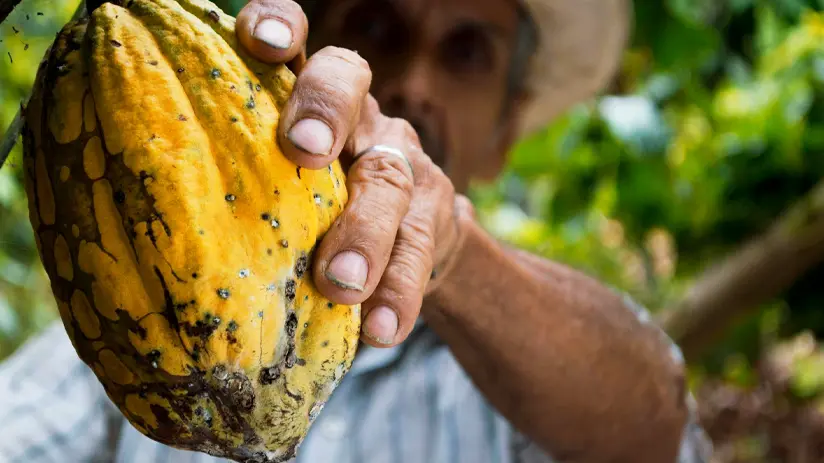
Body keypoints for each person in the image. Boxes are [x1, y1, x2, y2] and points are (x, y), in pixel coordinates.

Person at [0, 0, 714, 462]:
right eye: (376, 26)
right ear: (302, 46)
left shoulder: (528, 376)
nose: (413, 84)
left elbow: (653, 425)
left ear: (507, 130)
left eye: (467, 51)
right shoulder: (135, 299)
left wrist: (451, 253)